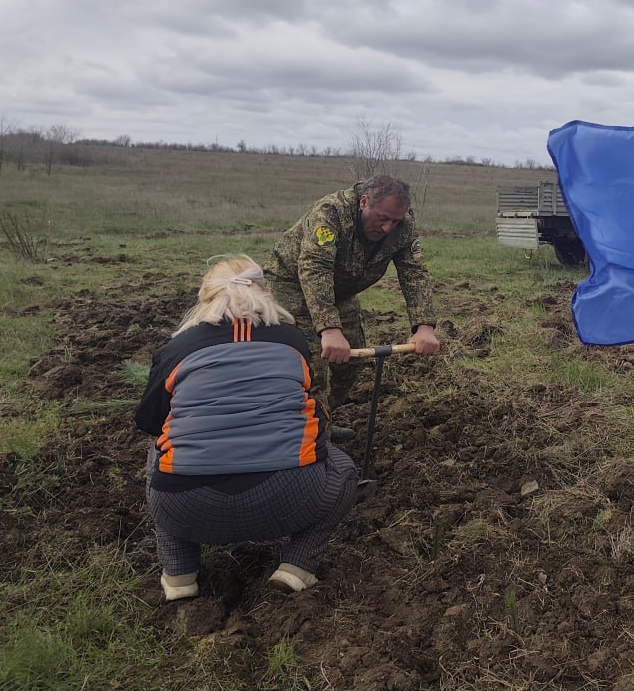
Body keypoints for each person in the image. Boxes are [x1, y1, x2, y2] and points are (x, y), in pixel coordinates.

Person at [135, 255, 358, 600]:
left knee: (160, 453)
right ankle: (296, 566)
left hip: (186, 506)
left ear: (205, 296)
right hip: (286, 499)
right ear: (265, 293)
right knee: (343, 469)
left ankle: (179, 573)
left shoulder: (175, 349)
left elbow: (149, 422)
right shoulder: (292, 341)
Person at [264, 176, 441, 436]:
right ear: (364, 201)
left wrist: (424, 326)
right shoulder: (330, 212)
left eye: (395, 221)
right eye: (382, 218)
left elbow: (414, 272)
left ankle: (321, 422)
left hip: (340, 290)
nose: (387, 228)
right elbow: (315, 267)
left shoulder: (404, 225)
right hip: (291, 285)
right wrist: (329, 329)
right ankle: (303, 437)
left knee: (350, 360)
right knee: (314, 365)